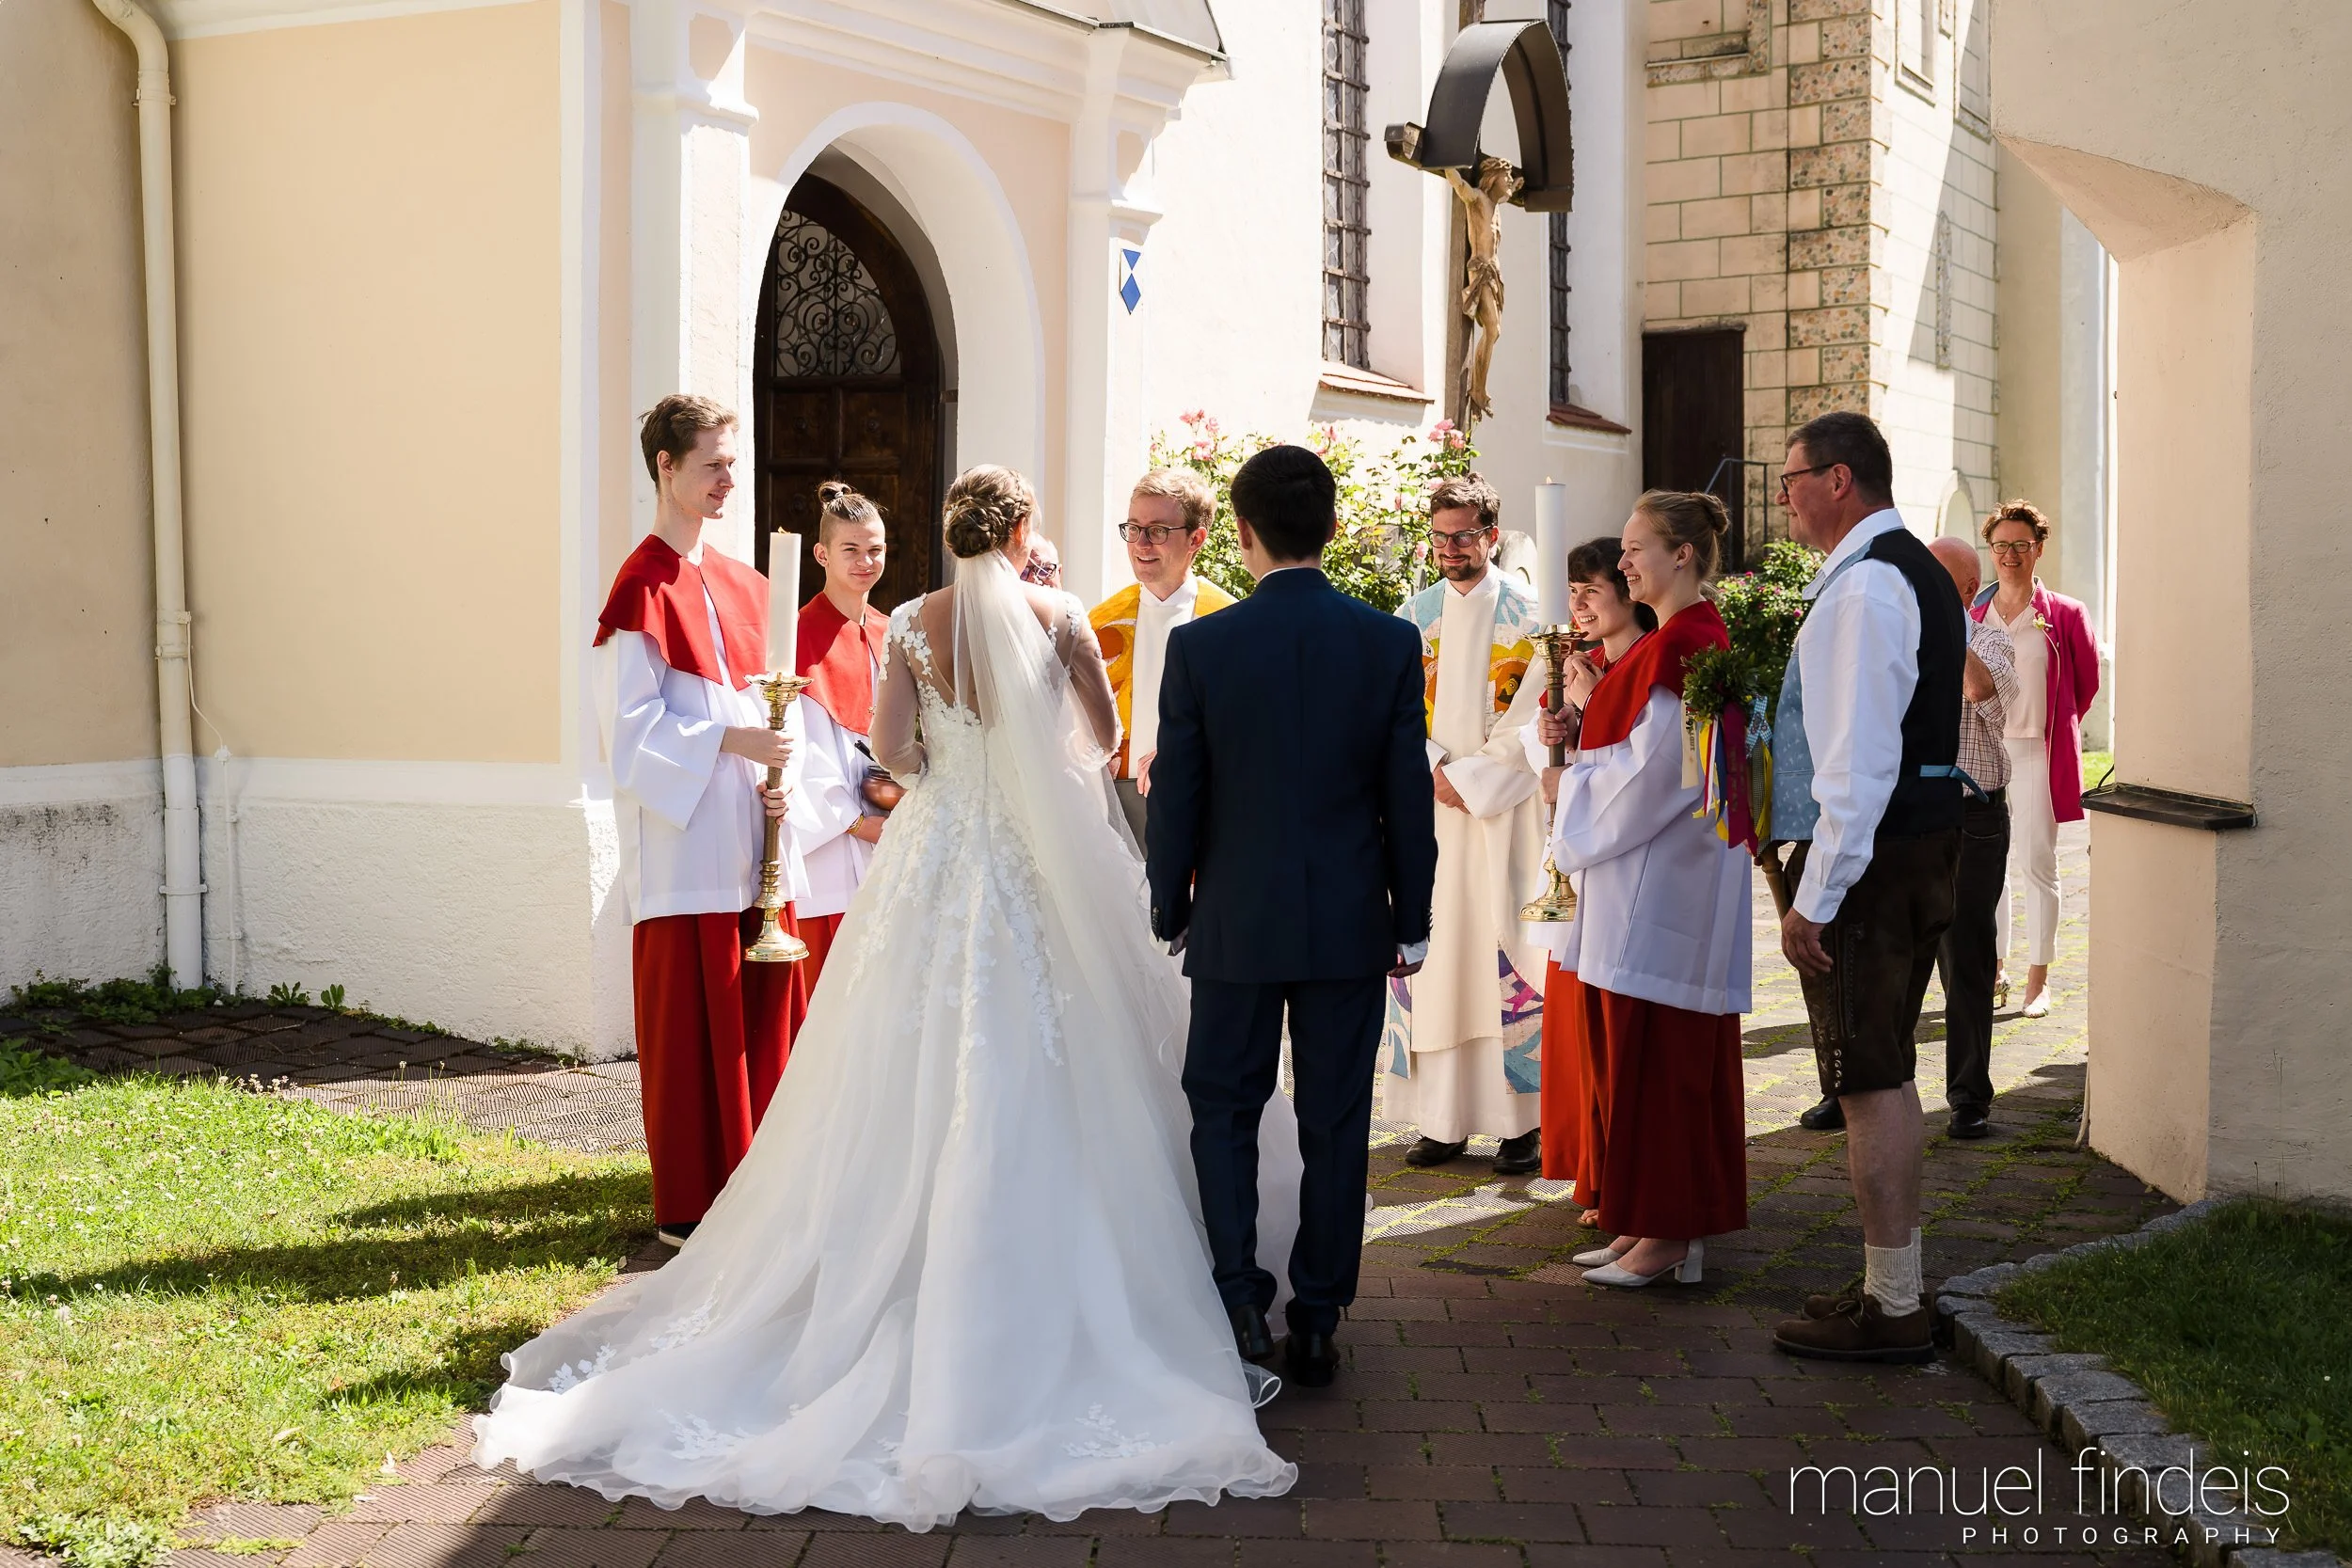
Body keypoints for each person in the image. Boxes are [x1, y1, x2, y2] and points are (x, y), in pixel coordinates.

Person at [476, 464, 1295, 1525]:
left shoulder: (908, 621)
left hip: (937, 857)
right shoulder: (1058, 616)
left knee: (896, 1057)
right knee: (1077, 1045)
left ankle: (879, 1274)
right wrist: (1034, 759)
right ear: (1024, 529)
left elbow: (891, 748)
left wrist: (950, 761)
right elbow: (1099, 744)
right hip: (1043, 867)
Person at [1149, 444, 1437, 1389]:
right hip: (1351, 914)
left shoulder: (1202, 645)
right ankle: (1317, 1314)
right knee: (1336, 1117)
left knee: (1223, 1106)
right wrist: (1414, 913)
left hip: (1234, 912)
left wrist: (1168, 902)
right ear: (1335, 529)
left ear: (1238, 531)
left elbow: (1177, 792)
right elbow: (1407, 793)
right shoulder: (1388, 642)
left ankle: (1239, 1294)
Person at [1763, 411, 1965, 1363]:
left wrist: (1819, 892)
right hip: (1911, 847)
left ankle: (1893, 1305)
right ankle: (1893, 1280)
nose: (1784, 493)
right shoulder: (1906, 569)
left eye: (1791, 475)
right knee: (1882, 1070)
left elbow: (1857, 761)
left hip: (1876, 861)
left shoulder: (1869, 584)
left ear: (1838, 479)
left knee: (1867, 1077)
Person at [591, 396, 808, 1250]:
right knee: (691, 1026)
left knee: (758, 1019)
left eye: (732, 463)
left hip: (755, 840)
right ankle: (690, 1203)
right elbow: (630, 733)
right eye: (712, 464)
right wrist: (731, 739)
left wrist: (775, 773)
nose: (729, 479)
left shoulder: (743, 582)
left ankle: (762, 1192)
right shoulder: (638, 586)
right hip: (685, 851)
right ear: (665, 468)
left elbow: (778, 708)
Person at [1537, 495, 1751, 1288]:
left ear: (1683, 555)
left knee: (1662, 1063)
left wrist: (1573, 799)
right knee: (1644, 1059)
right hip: (1649, 882)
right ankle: (1653, 1227)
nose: (1623, 563)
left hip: (1663, 888)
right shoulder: (1673, 642)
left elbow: (1659, 773)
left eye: (1636, 548)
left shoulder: (1684, 645)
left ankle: (1666, 1231)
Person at [1379, 474, 1549, 1178]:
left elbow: (1537, 718)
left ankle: (1521, 1124)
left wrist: (1469, 778)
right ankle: (1442, 1120)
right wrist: (1427, 769)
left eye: (1465, 534)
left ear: (1492, 534)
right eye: (1441, 535)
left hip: (1504, 818)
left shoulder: (1535, 617)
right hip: (1428, 818)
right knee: (1438, 962)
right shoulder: (1408, 618)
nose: (1451, 547)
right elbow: (1386, 711)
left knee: (1505, 957)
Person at [1531, 539, 1658, 1218]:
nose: (1577, 604)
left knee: (1613, 1024)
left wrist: (1592, 698)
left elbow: (1643, 764)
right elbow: (1567, 755)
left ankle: (1617, 1180)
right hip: (1580, 857)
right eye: (1571, 590)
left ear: (1628, 591)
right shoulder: (1586, 663)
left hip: (1626, 861)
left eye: (1591, 589)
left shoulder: (1644, 662)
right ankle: (1591, 1167)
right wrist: (1557, 725)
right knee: (1578, 1019)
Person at [1973, 501, 2099, 1019]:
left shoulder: (2064, 614)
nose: (2009, 555)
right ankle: (1994, 969)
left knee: (2037, 864)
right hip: (1984, 754)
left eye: (2020, 545)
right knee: (1987, 870)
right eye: (2001, 545)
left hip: (2035, 755)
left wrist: (2052, 725)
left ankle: (2038, 979)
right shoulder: (1974, 615)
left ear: (2038, 549)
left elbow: (2085, 683)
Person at [1090, 468, 1236, 843]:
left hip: (1207, 807)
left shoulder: (1230, 620)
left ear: (1196, 539)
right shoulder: (1102, 621)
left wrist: (1186, 753)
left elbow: (1249, 723)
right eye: (1134, 528)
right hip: (1115, 806)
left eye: (1157, 531)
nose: (1141, 544)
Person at [1929, 535, 2016, 1140]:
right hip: (1910, 815)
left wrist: (1943, 630)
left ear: (1961, 589)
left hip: (1973, 816)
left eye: (1931, 577)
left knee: (1966, 954)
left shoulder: (1988, 639)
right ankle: (1860, 1088)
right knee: (1891, 950)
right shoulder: (1895, 638)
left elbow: (1984, 694)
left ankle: (1968, 1095)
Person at [788, 482, 890, 984]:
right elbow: (799, 749)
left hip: (890, 830)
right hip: (831, 843)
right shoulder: (795, 635)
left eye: (875, 549)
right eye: (850, 550)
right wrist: (856, 823)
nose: (864, 561)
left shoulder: (892, 631)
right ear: (822, 553)